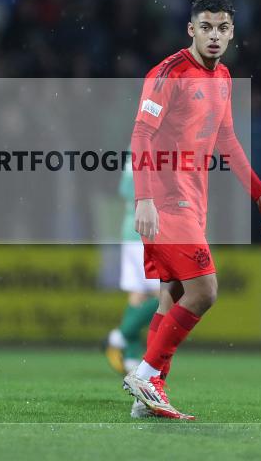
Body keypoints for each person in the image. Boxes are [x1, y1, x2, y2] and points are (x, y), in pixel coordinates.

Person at [122, 0, 261, 420]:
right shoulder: (168, 73)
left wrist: (260, 194)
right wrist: (145, 198)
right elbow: (141, 135)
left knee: (171, 296)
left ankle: (149, 397)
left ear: (232, 33)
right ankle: (146, 375)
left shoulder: (225, 77)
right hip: (165, 199)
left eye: (222, 28)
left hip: (192, 202)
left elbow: (226, 141)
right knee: (205, 290)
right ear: (190, 30)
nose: (214, 35)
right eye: (206, 27)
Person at [103, 159, 160, 417]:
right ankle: (122, 335)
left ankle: (133, 359)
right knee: (166, 295)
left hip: (131, 229)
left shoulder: (135, 147)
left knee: (138, 295)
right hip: (145, 231)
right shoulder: (154, 148)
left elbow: (125, 189)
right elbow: (137, 190)